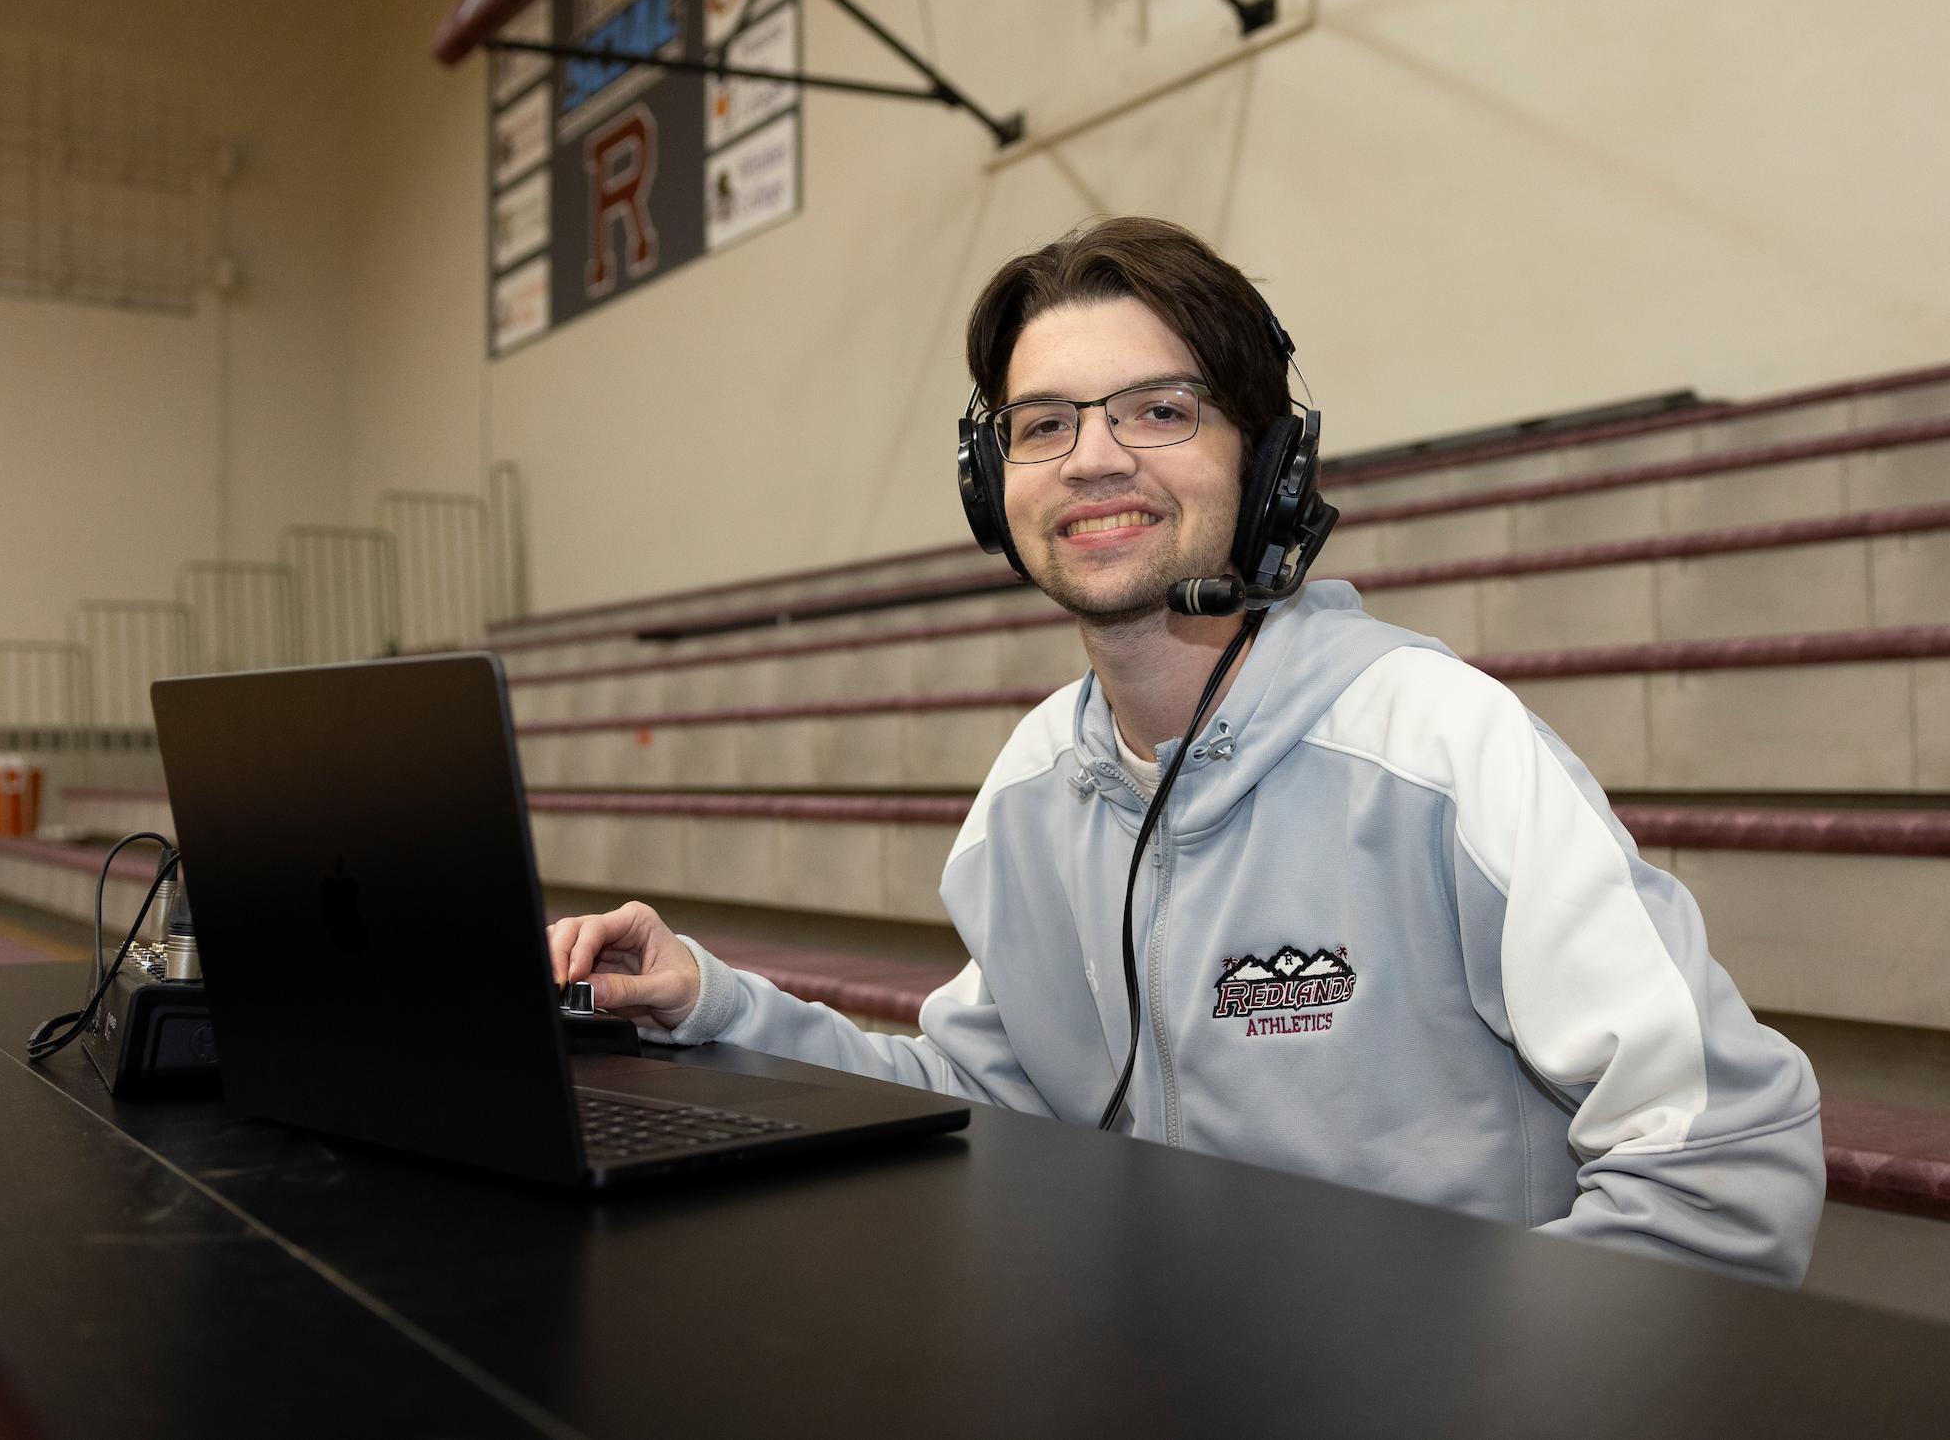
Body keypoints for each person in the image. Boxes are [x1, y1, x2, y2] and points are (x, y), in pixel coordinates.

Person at [547, 217, 1824, 1286]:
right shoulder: (1035, 790)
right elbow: (981, 1093)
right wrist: (712, 1003)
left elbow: (1726, 1162)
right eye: (1040, 425)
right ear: (992, 485)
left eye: (1159, 409)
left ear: (1266, 465)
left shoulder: (1439, 747)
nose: (1092, 456)